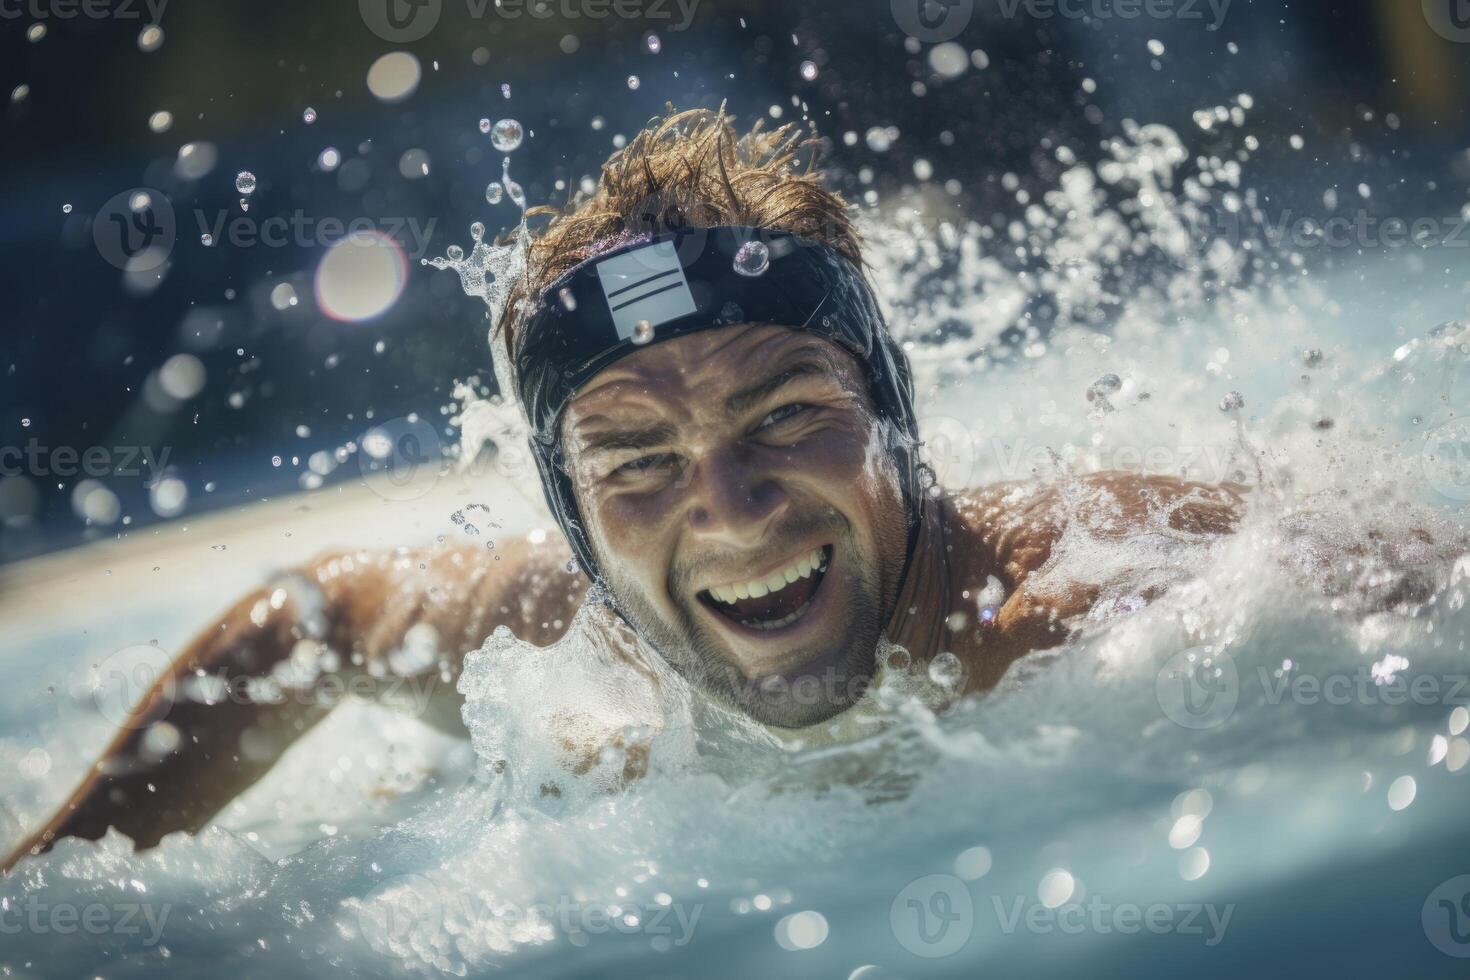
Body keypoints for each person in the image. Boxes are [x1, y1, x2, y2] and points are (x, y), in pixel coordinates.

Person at [1, 107, 1248, 872]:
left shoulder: (1102, 601)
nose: (732, 506)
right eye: (637, 461)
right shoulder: (561, 635)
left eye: (784, 413)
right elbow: (311, 621)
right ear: (577, 519)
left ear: (894, 420)